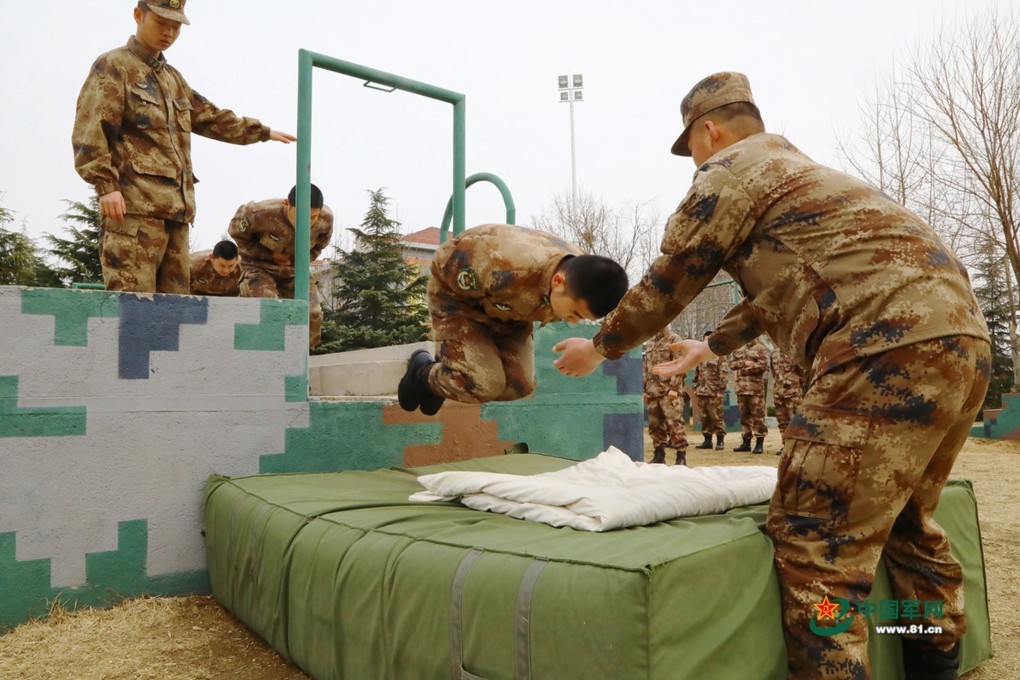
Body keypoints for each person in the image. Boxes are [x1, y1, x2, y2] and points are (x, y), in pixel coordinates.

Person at [552, 71, 989, 680]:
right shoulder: (804, 180)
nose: (692, 159)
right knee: (907, 523)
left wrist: (600, 346)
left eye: (690, 146)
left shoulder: (731, 171)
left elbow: (675, 273)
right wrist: (710, 347)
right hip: (961, 341)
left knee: (816, 542)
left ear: (709, 131)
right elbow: (780, 290)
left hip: (879, 347)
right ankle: (935, 663)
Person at [72, 0, 296, 294]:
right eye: (161, 23)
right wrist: (106, 186)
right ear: (138, 15)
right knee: (134, 308)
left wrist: (261, 132)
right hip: (135, 216)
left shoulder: (173, 79)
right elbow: (91, 129)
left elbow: (210, 117)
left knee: (176, 311)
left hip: (177, 218)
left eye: (175, 26)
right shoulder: (114, 66)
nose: (169, 32)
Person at [398, 223, 629, 416]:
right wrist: (460, 343)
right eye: (574, 314)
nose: (573, 322)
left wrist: (594, 350)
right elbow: (443, 261)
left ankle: (447, 378)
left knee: (519, 386)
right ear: (558, 282)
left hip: (511, 312)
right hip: (459, 301)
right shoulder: (502, 264)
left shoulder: (584, 277)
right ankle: (424, 372)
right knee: (482, 384)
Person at [228, 184, 334, 349]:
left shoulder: (325, 220)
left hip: (294, 271)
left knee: (312, 314)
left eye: (313, 217)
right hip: (259, 268)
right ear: (287, 204)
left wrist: (298, 260)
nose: (307, 222)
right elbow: (237, 235)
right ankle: (268, 354)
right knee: (269, 309)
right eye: (302, 216)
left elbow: (319, 246)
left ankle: (301, 355)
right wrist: (269, 255)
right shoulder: (258, 214)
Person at [642, 327, 688, 465]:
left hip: (669, 391)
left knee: (674, 424)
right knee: (655, 426)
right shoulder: (650, 342)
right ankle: (659, 455)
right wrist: (644, 389)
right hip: (652, 391)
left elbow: (681, 365)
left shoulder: (674, 340)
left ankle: (681, 457)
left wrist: (674, 388)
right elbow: (646, 367)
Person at [728, 335, 769, 453]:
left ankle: (759, 442)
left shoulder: (760, 348)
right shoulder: (738, 348)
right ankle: (746, 441)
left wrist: (752, 365)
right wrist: (744, 363)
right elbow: (731, 364)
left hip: (755, 388)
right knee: (744, 416)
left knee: (758, 416)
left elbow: (763, 366)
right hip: (741, 388)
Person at [692, 329, 727, 451]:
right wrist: (695, 387)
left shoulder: (720, 356)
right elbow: (696, 374)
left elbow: (723, 374)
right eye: (705, 340)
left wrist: (720, 391)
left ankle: (720, 440)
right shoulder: (700, 356)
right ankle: (707, 440)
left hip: (714, 392)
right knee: (704, 417)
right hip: (702, 391)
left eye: (709, 340)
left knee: (716, 416)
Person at [770, 346, 807, 456]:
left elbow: (803, 372)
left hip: (793, 392)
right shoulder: (774, 353)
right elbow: (774, 372)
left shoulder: (795, 351)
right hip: (778, 392)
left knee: (796, 419)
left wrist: (795, 384)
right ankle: (785, 445)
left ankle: (799, 446)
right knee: (782, 420)